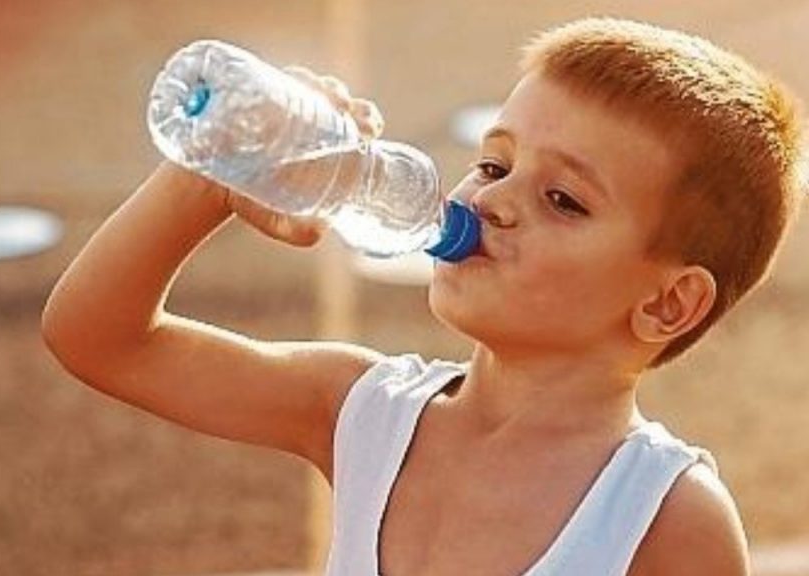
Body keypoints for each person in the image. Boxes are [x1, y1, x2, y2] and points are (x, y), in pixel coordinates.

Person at [41, 17, 805, 576]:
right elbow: (98, 337)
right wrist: (214, 172)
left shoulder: (665, 517)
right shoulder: (360, 409)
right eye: (495, 164)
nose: (495, 202)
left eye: (565, 200)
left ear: (667, 305)